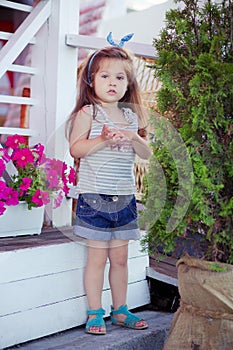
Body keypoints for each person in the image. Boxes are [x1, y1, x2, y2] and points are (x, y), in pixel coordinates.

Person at [66, 37, 151, 335]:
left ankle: (121, 309)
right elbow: (75, 149)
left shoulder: (131, 116)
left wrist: (134, 138)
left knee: (121, 259)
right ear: (91, 81)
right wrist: (102, 139)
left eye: (120, 77)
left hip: (125, 198)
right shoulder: (88, 113)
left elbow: (146, 154)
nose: (112, 82)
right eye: (105, 75)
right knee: (97, 258)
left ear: (128, 84)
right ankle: (94, 312)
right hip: (94, 197)